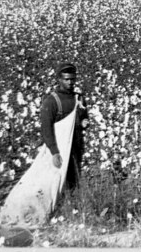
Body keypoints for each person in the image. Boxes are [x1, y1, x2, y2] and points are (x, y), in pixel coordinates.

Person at [39, 63, 88, 191]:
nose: (70, 82)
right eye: (66, 79)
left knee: (73, 180)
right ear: (59, 80)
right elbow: (46, 128)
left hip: (75, 147)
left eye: (72, 79)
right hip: (58, 148)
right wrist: (54, 152)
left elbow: (83, 116)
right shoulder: (51, 101)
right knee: (55, 182)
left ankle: (72, 206)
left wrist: (84, 122)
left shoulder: (79, 98)